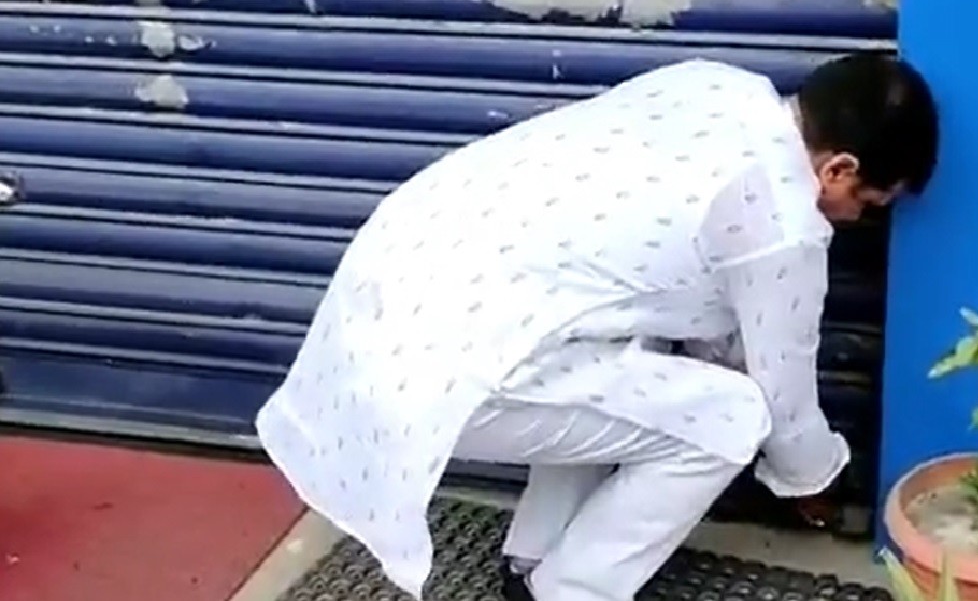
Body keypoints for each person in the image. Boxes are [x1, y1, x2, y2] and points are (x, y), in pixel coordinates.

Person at [256, 53, 939, 601]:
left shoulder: (714, 85)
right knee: (734, 415)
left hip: (387, 301)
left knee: (637, 359)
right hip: (451, 364)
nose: (860, 220)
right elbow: (782, 401)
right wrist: (815, 480)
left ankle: (533, 560)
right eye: (871, 202)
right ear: (839, 167)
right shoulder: (785, 222)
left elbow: (704, 312)